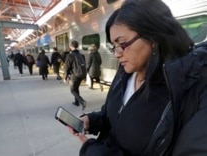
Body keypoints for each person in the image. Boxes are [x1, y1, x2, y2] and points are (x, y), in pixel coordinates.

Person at [69, 0, 207, 155]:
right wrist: (92, 121)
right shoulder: (125, 72)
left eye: (122, 43)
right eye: (113, 46)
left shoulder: (188, 88)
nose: (116, 54)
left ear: (153, 37)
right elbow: (113, 114)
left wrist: (95, 152)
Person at [64, 40, 87, 110]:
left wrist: (65, 77)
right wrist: (85, 76)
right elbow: (84, 65)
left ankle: (82, 101)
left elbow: (67, 67)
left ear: (71, 47)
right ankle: (76, 102)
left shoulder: (70, 55)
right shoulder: (82, 55)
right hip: (81, 74)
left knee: (72, 90)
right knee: (76, 88)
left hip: (75, 75)